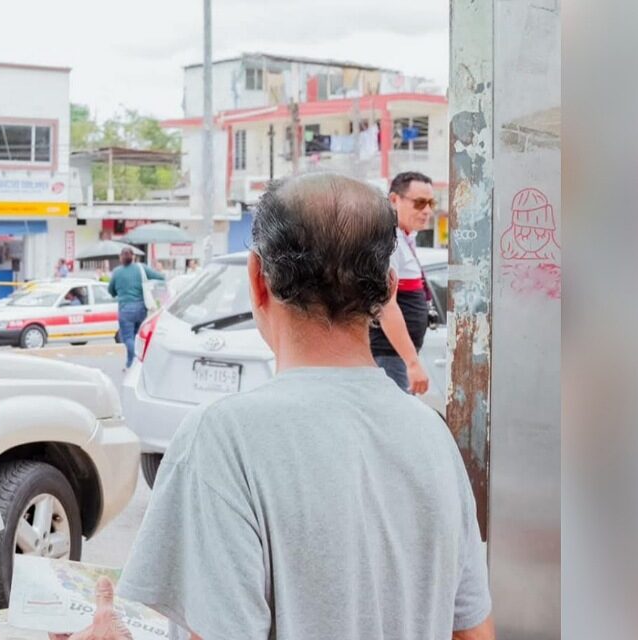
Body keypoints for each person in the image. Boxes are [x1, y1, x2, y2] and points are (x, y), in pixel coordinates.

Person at [62, 174, 493, 639]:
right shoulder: (432, 436)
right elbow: (474, 633)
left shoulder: (223, 440)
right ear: (390, 289)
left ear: (257, 278)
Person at [370, 171, 437, 394]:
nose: (427, 211)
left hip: (394, 356)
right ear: (394, 200)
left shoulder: (404, 237)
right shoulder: (388, 241)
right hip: (389, 355)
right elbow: (386, 306)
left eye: (431, 203)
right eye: (419, 203)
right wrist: (412, 363)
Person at [107, 248, 165, 370]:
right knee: (137, 337)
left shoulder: (117, 272)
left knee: (128, 338)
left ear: (120, 258)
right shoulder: (141, 268)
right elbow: (161, 277)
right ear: (133, 256)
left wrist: (119, 291)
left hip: (125, 310)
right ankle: (131, 364)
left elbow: (111, 291)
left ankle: (135, 362)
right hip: (141, 309)